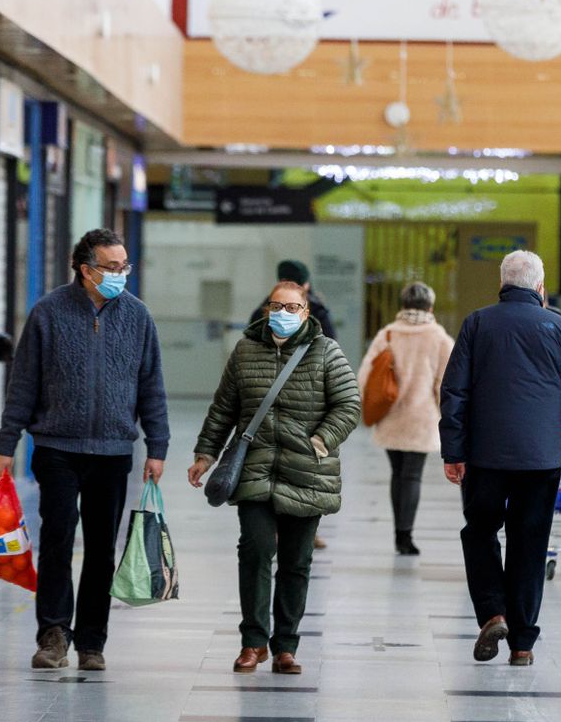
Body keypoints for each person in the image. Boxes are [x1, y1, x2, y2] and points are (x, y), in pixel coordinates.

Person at [0, 229, 169, 671]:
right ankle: (53, 634)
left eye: (124, 266)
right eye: (112, 267)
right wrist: (6, 441)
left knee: (101, 549)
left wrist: (157, 445)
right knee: (55, 540)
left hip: (112, 452)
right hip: (56, 446)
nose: (120, 275)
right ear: (85, 269)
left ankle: (92, 641)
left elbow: (151, 387)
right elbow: (23, 382)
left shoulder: (138, 317)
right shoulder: (48, 313)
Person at [189, 280, 361, 675]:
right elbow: (224, 408)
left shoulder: (326, 352)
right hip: (255, 468)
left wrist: (321, 441)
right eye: (276, 306)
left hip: (306, 472)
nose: (283, 314)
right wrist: (205, 453)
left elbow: (349, 403)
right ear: (266, 310)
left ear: (306, 312)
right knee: (254, 550)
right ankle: (253, 642)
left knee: (296, 561)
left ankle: (285, 645)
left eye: (292, 308)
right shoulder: (246, 351)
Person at [440, 250, 561, 667]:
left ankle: (493, 612)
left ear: (502, 285)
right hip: (540, 459)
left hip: (485, 456)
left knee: (479, 532)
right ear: (540, 289)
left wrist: (453, 451)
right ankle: (523, 644)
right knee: (530, 543)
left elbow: (454, 392)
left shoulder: (477, 324)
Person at [358, 281, 455, 556]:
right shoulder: (440, 339)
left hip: (390, 417)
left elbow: (364, 376)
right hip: (421, 420)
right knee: (412, 476)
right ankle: (405, 536)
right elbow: (447, 385)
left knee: (397, 474)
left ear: (403, 305)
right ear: (430, 306)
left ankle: (399, 534)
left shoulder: (387, 335)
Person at [249, 260, 337, 549]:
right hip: (271, 413)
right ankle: (278, 529)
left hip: (306, 414)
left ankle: (305, 531)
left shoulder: (318, 314)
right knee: (277, 473)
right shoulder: (265, 315)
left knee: (304, 474)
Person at [249, 259, 338, 341]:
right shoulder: (317, 310)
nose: (283, 312)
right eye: (277, 307)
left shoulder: (264, 308)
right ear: (306, 285)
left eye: (292, 308)